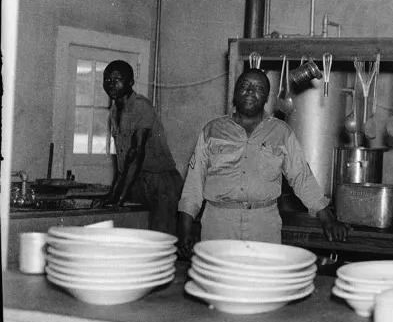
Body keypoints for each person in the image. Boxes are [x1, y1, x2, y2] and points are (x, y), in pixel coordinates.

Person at [177, 68, 348, 258]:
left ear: (266, 97)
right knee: (219, 282)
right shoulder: (212, 131)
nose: (250, 91)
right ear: (235, 92)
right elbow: (193, 184)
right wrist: (184, 230)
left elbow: (302, 177)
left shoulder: (281, 132)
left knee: (263, 281)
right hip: (218, 223)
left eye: (258, 88)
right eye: (245, 86)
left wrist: (327, 219)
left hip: (264, 224)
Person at [103, 60, 183, 236]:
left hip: (161, 184)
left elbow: (136, 153)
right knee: (136, 237)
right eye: (107, 80)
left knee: (159, 240)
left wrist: (120, 199)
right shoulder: (115, 110)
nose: (111, 84)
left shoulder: (140, 106)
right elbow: (123, 161)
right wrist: (111, 195)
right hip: (136, 180)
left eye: (117, 79)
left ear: (131, 82)